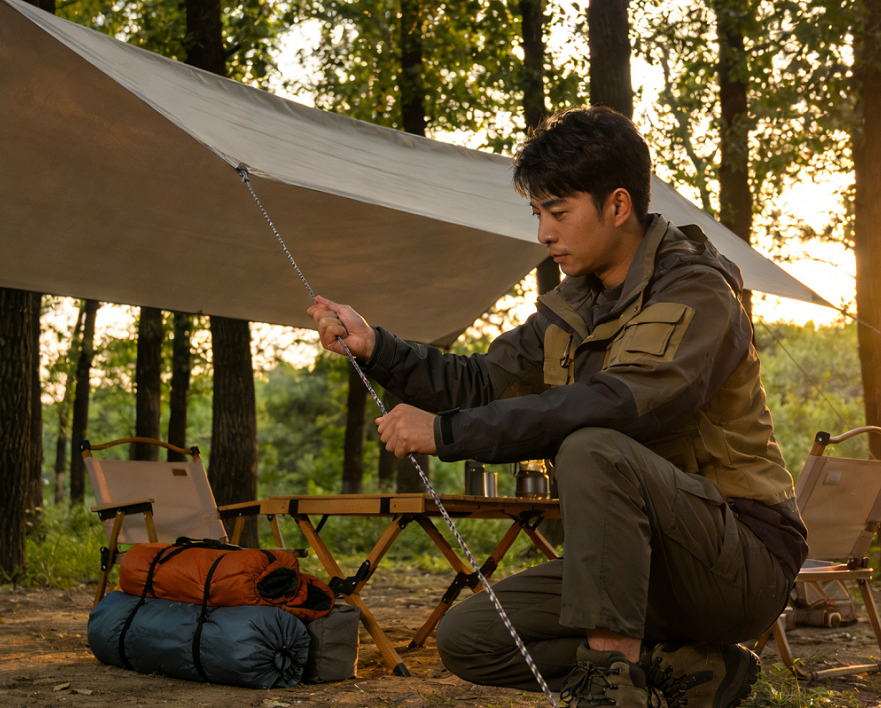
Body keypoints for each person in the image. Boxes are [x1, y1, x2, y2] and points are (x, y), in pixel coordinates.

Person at [307, 106, 806, 708]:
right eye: (538, 213)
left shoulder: (695, 290)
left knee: (593, 442)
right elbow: (479, 384)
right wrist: (378, 348)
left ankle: (609, 682)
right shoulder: (574, 306)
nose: (543, 232)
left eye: (558, 212)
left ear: (618, 206)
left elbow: (621, 405)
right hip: (638, 565)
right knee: (472, 639)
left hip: (737, 561)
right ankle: (692, 670)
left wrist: (447, 433)